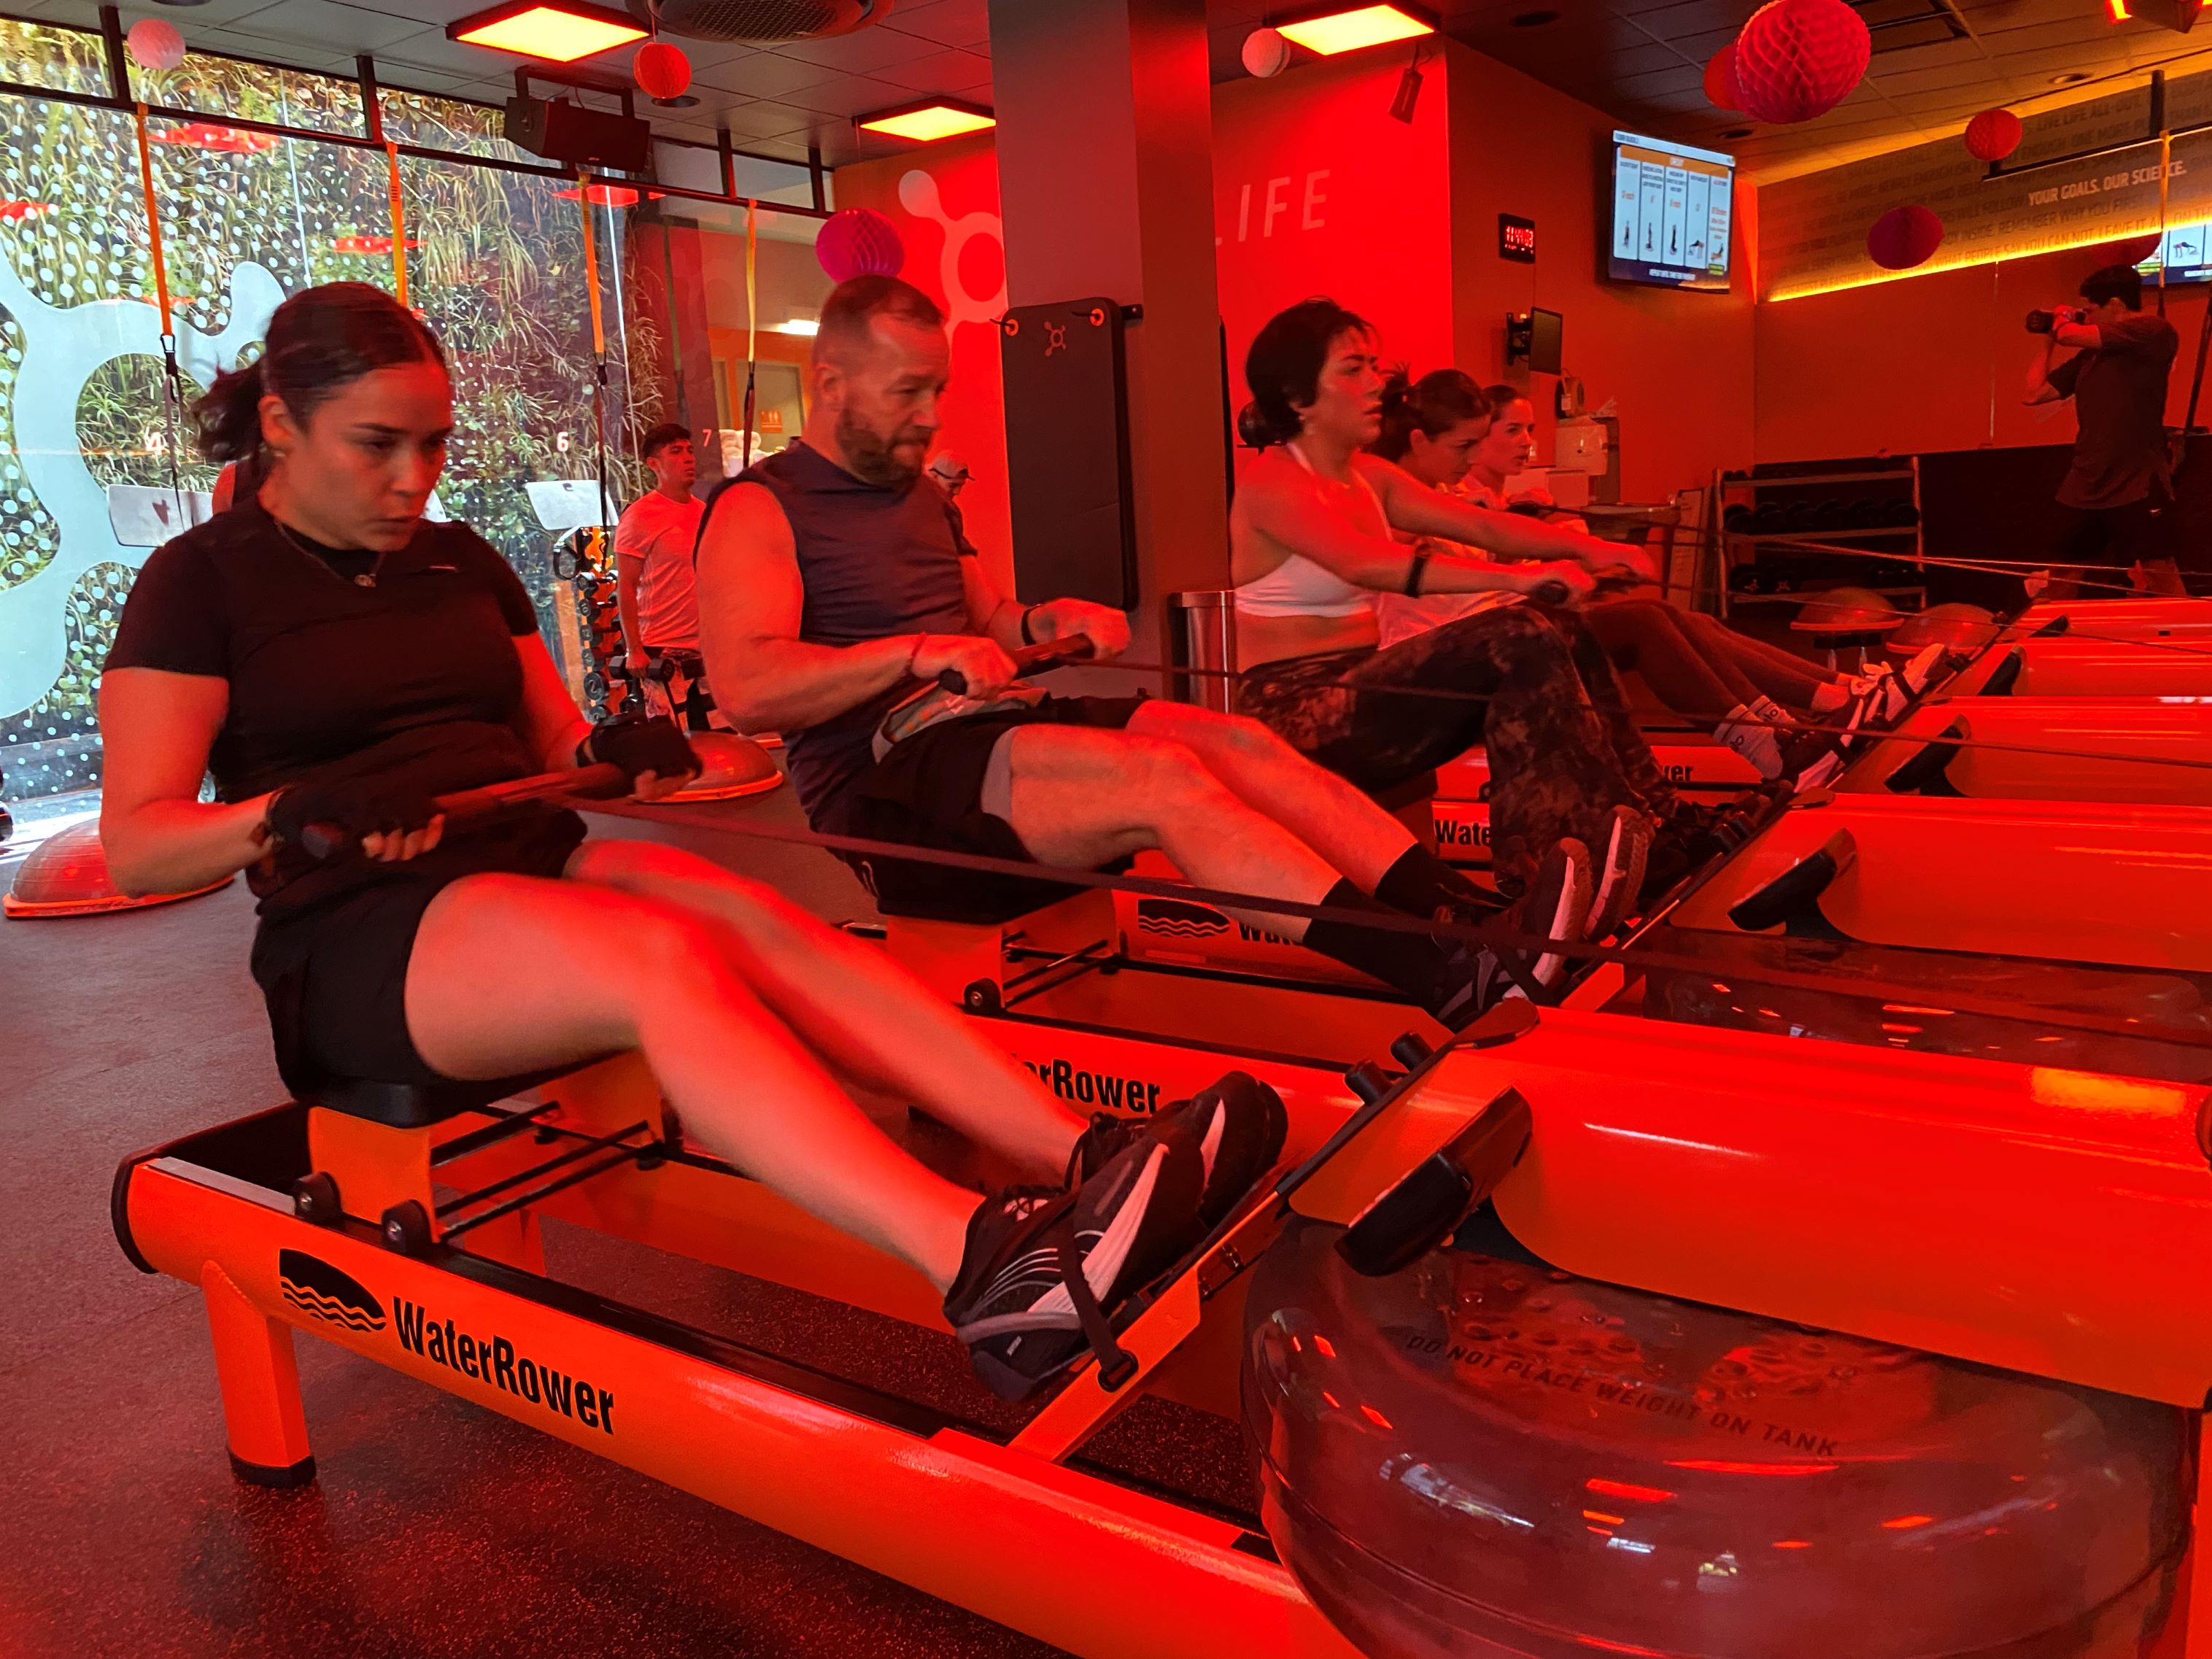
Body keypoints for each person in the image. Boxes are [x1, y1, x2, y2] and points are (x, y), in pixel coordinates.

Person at [96, 282, 1284, 1404]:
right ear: (280, 423)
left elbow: (552, 739)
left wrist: (618, 746)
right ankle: (982, 1265)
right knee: (657, 956)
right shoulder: (198, 583)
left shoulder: (459, 560)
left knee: (762, 920)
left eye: (435, 444)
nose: (415, 478)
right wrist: (284, 811)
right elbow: (141, 843)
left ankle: (1087, 1155)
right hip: (357, 924)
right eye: (376, 445)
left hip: (526, 849)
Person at [697, 275, 1593, 1032]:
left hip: (981, 732)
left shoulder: (923, 498)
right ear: (829, 382)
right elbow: (748, 690)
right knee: (1163, 782)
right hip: (885, 787)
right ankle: (1448, 976)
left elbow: (995, 620)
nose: (929, 417)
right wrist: (915, 653)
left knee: (1230, 741)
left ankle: (1477, 922)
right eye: (906, 393)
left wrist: (1052, 620)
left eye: (936, 391)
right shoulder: (759, 507)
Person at [1229, 300, 1714, 919]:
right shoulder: (1273, 482)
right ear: (1298, 398)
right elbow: (1368, 565)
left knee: (1561, 629)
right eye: (1353, 369)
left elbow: (1485, 526)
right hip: (1294, 712)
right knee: (1517, 632)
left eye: (1373, 365)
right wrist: (1525, 578)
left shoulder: (1368, 477)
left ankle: (1656, 818)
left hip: (1362, 689)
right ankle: (1541, 869)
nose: (1376, 383)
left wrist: (1590, 548)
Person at [1370, 371, 1871, 786]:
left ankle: (1797, 724)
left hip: (1500, 640)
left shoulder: (1441, 496)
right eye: (1466, 445)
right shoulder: (1396, 504)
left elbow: (1489, 542)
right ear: (1419, 441)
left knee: (1660, 615)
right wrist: (1536, 568)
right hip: (1447, 668)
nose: (1470, 458)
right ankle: (1777, 747)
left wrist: (1586, 557)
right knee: (1645, 622)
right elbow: (1436, 557)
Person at [2026, 263, 2186, 599]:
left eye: (2091, 309)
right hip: (2087, 482)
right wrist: (2047, 342)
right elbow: (2035, 394)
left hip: (2136, 480)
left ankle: (2187, 632)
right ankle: (2056, 629)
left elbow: (2070, 334)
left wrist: (2061, 317)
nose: (2088, 316)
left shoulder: (2152, 331)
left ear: (2114, 303)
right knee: (2064, 570)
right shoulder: (2091, 357)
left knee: (2159, 569)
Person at [614, 422, 704, 676]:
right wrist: (634, 650)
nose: (688, 458)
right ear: (653, 464)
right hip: (662, 647)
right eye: (676, 451)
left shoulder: (703, 511)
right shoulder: (640, 516)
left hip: (705, 646)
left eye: (690, 450)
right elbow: (626, 585)